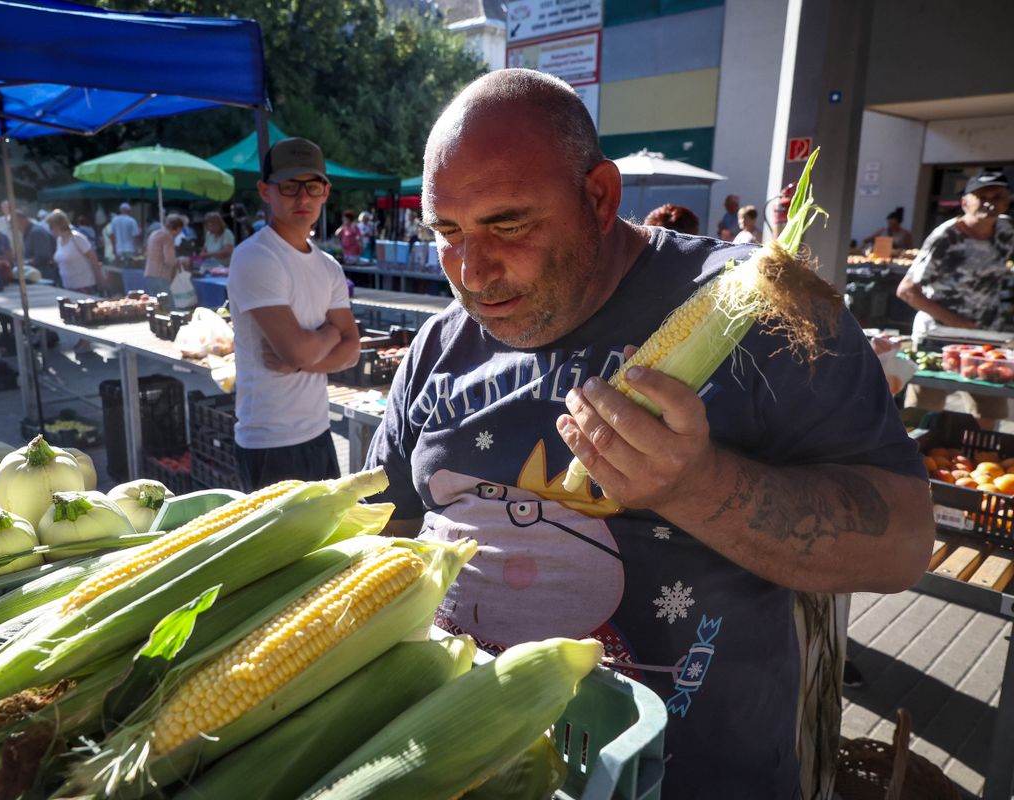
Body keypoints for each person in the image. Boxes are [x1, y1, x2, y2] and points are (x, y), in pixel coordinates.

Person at [364, 68, 933, 798]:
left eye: (509, 223)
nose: (473, 272)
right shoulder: (437, 347)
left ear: (600, 197)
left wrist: (698, 489)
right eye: (446, 232)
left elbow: (904, 544)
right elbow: (382, 531)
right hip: (471, 770)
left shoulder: (762, 308)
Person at [227, 137, 361, 490]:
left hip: (318, 430)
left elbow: (353, 350)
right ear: (265, 191)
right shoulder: (255, 257)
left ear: (325, 192)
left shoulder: (328, 266)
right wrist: (329, 335)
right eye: (289, 186)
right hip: (269, 441)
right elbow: (307, 348)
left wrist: (303, 356)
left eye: (312, 186)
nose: (302, 197)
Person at [897, 171, 1014, 426]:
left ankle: (985, 456)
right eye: (981, 196)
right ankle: (911, 459)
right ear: (965, 202)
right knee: (923, 410)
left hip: (985, 341)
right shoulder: (946, 237)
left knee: (991, 408)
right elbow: (907, 290)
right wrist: (956, 322)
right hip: (938, 338)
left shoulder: (1006, 230)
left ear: (1007, 201)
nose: (989, 202)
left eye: (997, 196)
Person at [45, 210, 102, 294]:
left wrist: (99, 279)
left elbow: (92, 257)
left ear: (59, 225)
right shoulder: (59, 240)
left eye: (51, 226)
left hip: (84, 286)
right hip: (67, 286)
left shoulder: (76, 238)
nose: (50, 229)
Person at [144, 213, 191, 299]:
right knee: (167, 307)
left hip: (149, 274)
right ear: (178, 228)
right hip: (160, 276)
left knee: (155, 306)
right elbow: (169, 261)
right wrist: (182, 260)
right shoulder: (167, 237)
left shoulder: (154, 234)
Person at [13, 209, 58, 283]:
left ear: (22, 220)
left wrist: (23, 263)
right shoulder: (27, 232)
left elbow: (42, 257)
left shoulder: (36, 232)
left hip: (43, 274)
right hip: (35, 273)